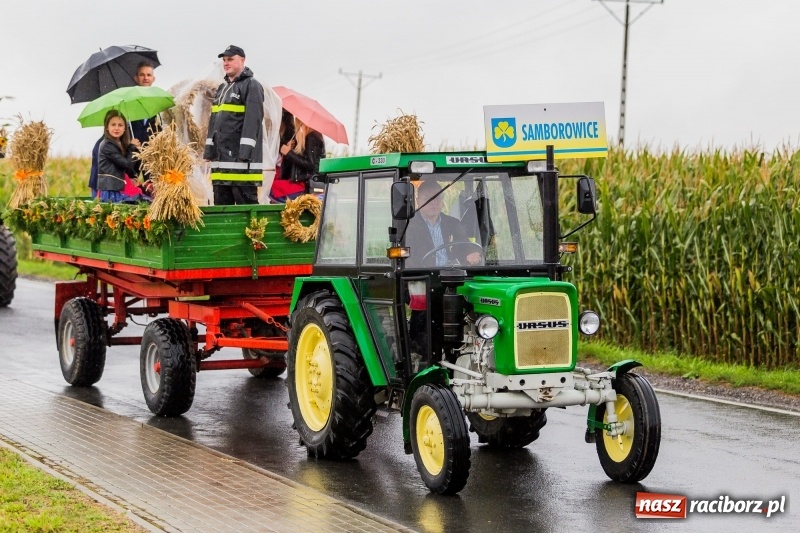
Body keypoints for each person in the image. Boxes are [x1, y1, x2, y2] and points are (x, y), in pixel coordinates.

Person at [203, 45, 265, 205]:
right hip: (220, 166)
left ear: (242, 60)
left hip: (241, 167)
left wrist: (244, 154)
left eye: (230, 59)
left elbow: (253, 122)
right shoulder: (222, 88)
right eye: (224, 60)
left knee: (246, 214)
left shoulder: (252, 85)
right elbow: (214, 123)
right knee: (222, 216)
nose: (226, 63)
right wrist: (208, 151)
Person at [405, 180, 483, 268]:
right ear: (418, 201)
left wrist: (470, 254)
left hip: (451, 274)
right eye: (428, 198)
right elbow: (407, 260)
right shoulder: (408, 226)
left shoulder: (453, 223)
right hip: (423, 277)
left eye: (438, 197)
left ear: (442, 200)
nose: (434, 202)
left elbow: (465, 245)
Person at [96, 110, 149, 203]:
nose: (117, 128)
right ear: (107, 127)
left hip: (120, 186)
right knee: (141, 202)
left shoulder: (119, 143)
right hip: (112, 190)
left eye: (120, 125)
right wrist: (131, 147)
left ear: (125, 128)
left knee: (146, 200)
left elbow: (130, 169)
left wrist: (138, 152)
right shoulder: (107, 145)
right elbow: (126, 164)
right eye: (113, 125)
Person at [274, 117, 325, 200]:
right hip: (303, 183)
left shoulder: (312, 137)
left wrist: (289, 153)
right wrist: (289, 151)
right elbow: (286, 172)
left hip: (304, 185)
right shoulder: (311, 137)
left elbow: (310, 164)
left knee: (271, 189)